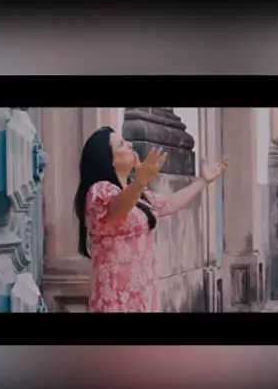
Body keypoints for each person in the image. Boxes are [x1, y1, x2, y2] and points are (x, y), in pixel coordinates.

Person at [74, 126, 228, 312]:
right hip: (115, 297)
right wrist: (140, 182)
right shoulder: (99, 191)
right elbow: (118, 208)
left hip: (144, 292)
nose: (130, 145)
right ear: (108, 159)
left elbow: (168, 205)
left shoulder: (135, 191)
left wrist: (204, 180)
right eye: (121, 144)